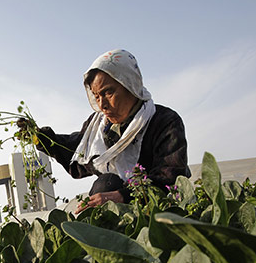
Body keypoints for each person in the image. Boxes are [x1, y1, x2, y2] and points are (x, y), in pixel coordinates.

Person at [25, 49, 191, 213]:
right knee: (105, 185)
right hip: (119, 213)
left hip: (160, 210)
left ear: (130, 85)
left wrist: (122, 196)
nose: (102, 105)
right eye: (97, 96)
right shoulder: (97, 126)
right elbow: (76, 150)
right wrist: (41, 138)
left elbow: (170, 177)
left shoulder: (164, 121)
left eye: (108, 92)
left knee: (107, 185)